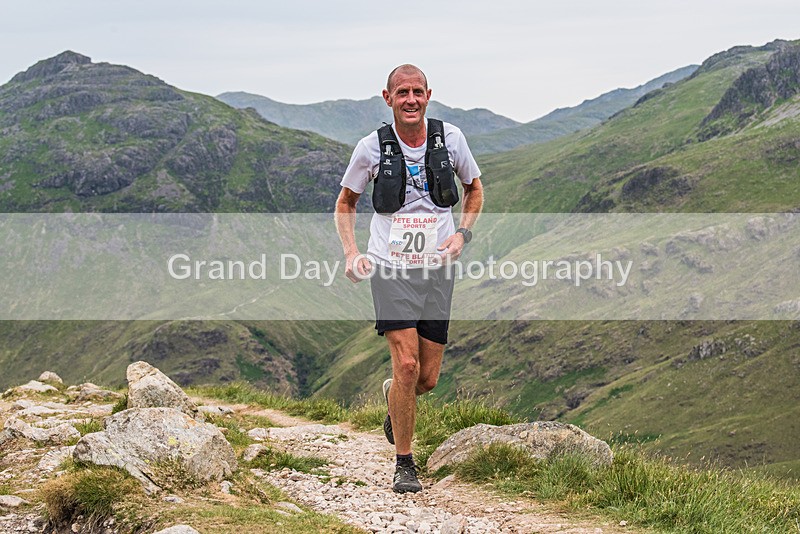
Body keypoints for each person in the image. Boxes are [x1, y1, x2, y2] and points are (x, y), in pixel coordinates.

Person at [334, 64, 483, 493]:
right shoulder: (369, 148)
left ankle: (394, 397)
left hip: (437, 268)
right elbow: (346, 202)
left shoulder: (450, 139)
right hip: (390, 266)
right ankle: (404, 463)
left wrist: (462, 234)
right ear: (388, 98)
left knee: (426, 379)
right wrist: (351, 253)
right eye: (403, 93)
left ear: (429, 94)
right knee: (407, 363)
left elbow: (474, 188)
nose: (411, 99)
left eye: (418, 91)